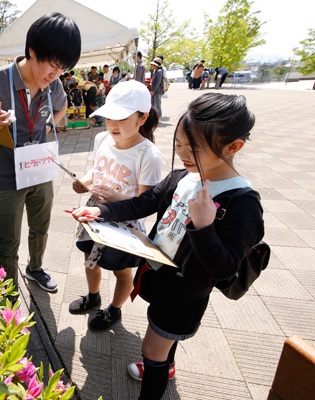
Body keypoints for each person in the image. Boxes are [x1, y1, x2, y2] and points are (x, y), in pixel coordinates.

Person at [72, 93, 264, 400]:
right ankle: (164, 364)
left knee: (152, 347)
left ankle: (156, 373)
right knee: (160, 337)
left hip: (185, 294)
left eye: (194, 149)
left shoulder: (241, 203)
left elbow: (226, 269)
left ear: (233, 147)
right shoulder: (185, 176)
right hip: (161, 277)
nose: (184, 155)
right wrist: (101, 212)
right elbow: (145, 201)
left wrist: (203, 228)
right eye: (178, 146)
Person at [0, 13, 82, 293]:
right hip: (6, 176)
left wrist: (52, 122)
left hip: (40, 168)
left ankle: (35, 268)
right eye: (52, 65)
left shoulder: (54, 85)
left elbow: (61, 108)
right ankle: (9, 291)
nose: (55, 75)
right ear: (32, 51)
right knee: (8, 240)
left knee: (40, 229)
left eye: (62, 68)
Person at [69, 81, 162, 331]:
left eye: (121, 117)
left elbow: (145, 202)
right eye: (109, 116)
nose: (112, 124)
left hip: (124, 220)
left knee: (121, 271)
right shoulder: (102, 138)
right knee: (89, 257)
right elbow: (97, 168)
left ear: (142, 119)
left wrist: (114, 197)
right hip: (94, 211)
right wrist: (84, 182)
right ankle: (93, 296)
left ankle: (114, 310)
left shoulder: (148, 154)